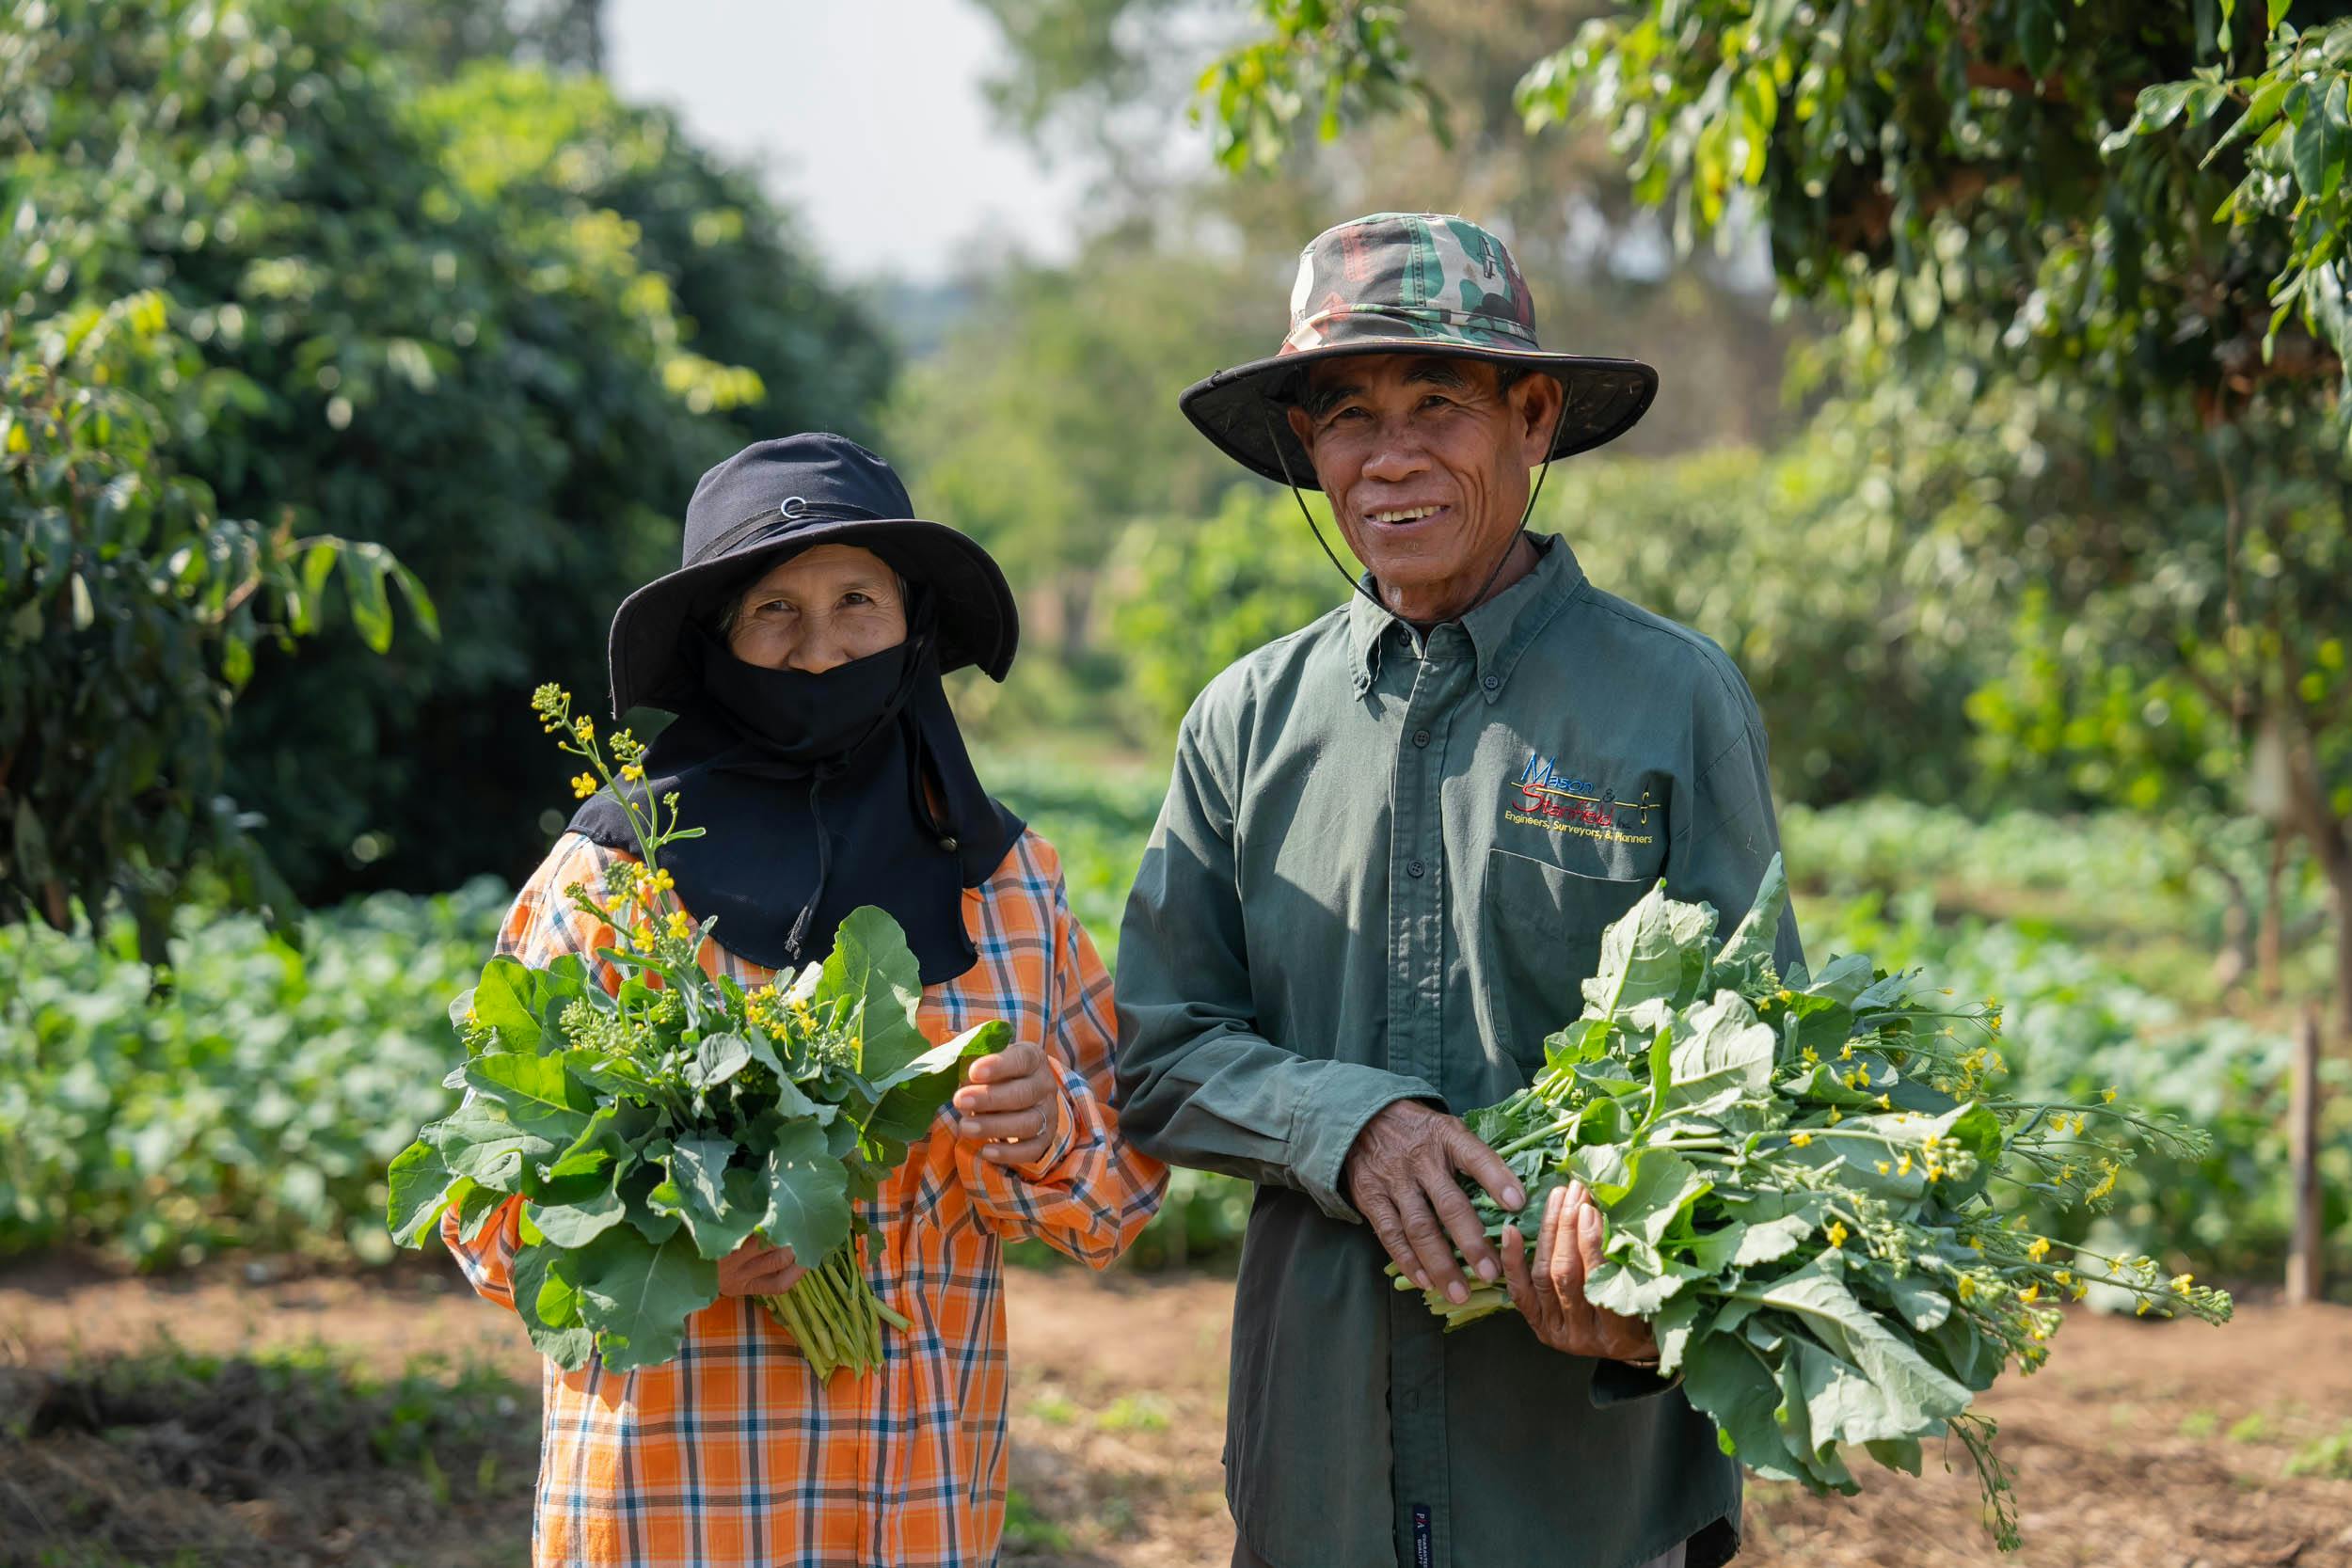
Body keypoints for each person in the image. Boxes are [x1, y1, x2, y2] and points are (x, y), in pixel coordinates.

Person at [1115, 213, 1804, 1568]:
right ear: (1306, 449)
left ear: (1533, 418)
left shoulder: (1669, 699)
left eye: (1441, 401)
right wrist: (1351, 1124)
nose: (1392, 456)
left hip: (1585, 1468)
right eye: (1348, 414)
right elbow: (1161, 1050)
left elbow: (1760, 1059)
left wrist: (1650, 1242)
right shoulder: (1247, 720)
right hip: (1319, 1460)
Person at [445, 433, 1167, 1567]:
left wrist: (1049, 1124)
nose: (820, 648)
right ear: (718, 641)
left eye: (855, 602)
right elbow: (482, 1216)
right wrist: (668, 1244)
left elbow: (1118, 1201)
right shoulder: (613, 882)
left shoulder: (1005, 882)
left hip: (914, 1499)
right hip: (667, 1506)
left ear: (912, 624)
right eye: (772, 610)